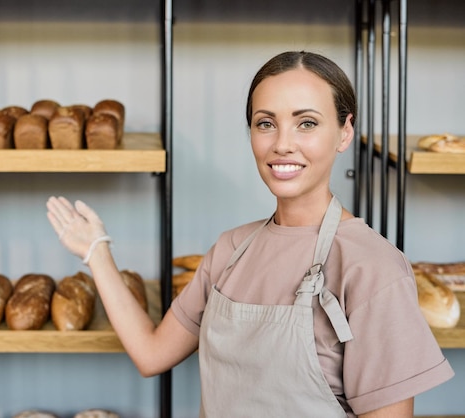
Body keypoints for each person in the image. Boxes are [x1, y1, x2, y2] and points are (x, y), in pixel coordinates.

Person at [46, 51, 454, 417]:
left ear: (345, 132)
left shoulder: (372, 267)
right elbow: (152, 355)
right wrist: (97, 252)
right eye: (265, 124)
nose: (282, 144)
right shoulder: (231, 249)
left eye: (306, 123)